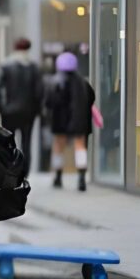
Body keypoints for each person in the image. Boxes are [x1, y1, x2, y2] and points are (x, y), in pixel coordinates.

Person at [46, 51, 95, 191]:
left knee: (58, 147)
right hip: (79, 120)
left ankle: (58, 177)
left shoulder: (55, 81)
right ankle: (81, 178)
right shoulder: (83, 82)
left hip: (60, 120)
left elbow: (48, 102)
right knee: (80, 147)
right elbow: (91, 98)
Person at [0, 38, 44, 176]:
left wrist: (2, 108)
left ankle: (10, 169)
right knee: (27, 143)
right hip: (28, 112)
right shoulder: (34, 67)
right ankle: (25, 172)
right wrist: (37, 110)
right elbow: (39, 91)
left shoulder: (6, 65)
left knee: (8, 142)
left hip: (9, 111)